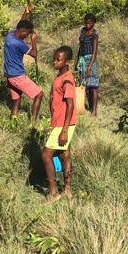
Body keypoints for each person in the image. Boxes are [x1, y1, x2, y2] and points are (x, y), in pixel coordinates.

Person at [42, 45, 77, 201]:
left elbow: (70, 105)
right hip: (59, 122)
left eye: (58, 59)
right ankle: (67, 189)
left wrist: (64, 130)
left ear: (67, 61)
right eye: (54, 59)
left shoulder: (67, 79)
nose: (54, 62)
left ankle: (53, 191)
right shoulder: (60, 77)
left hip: (64, 124)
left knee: (46, 154)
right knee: (64, 154)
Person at [3, 18, 43, 121]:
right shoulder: (19, 44)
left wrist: (26, 12)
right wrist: (33, 40)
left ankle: (13, 121)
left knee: (17, 100)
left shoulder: (9, 36)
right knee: (39, 95)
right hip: (17, 76)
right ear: (23, 31)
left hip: (9, 76)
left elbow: (19, 24)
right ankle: (33, 122)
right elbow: (34, 54)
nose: (27, 36)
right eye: (27, 33)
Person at [76, 13, 100, 116]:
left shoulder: (94, 35)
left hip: (91, 61)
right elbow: (80, 48)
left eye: (90, 22)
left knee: (93, 86)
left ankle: (94, 110)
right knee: (85, 85)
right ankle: (90, 107)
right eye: (86, 21)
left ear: (94, 23)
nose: (88, 23)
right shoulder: (82, 32)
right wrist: (76, 61)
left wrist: (89, 67)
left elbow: (94, 52)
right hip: (82, 60)